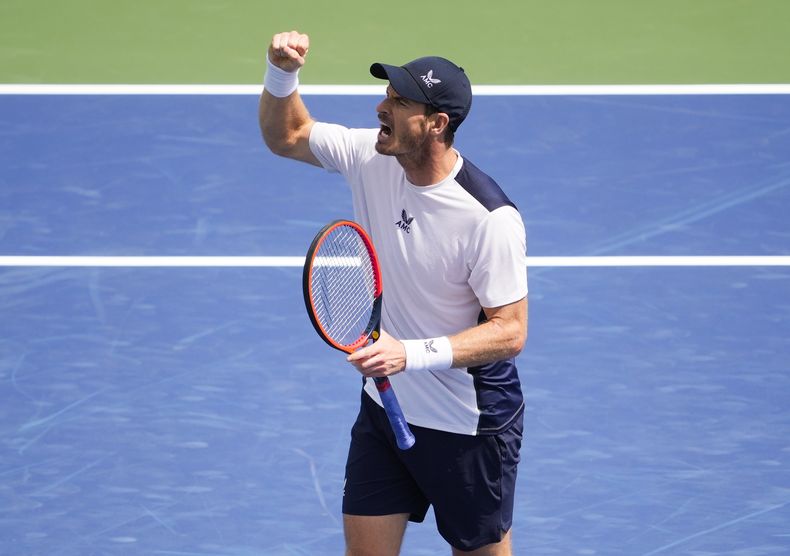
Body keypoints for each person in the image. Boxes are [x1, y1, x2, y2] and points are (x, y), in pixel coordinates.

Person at [259, 30, 528, 556]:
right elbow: (287, 134)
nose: (381, 106)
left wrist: (410, 354)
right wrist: (281, 71)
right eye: (387, 94)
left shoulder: (488, 218)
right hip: (386, 410)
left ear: (436, 124)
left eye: (400, 101)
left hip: (468, 424)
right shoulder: (370, 156)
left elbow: (511, 331)